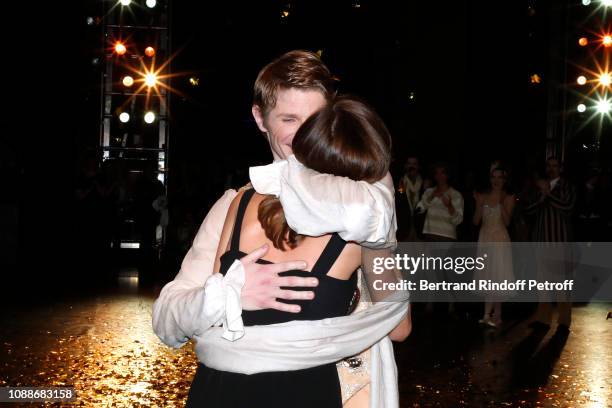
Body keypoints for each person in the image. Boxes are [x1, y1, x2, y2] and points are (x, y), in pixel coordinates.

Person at [152, 50, 400, 406]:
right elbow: (166, 318)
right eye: (289, 118)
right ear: (260, 118)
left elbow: (396, 320)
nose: (303, 135)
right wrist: (225, 296)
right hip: (222, 392)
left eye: (314, 119)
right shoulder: (232, 205)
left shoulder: (366, 207)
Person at [525, 157, 575, 333]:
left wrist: (549, 193)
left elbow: (568, 207)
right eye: (549, 166)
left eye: (555, 166)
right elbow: (529, 210)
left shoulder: (566, 186)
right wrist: (542, 196)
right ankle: (543, 319)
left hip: (559, 241)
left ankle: (564, 321)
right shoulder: (538, 187)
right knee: (542, 283)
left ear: (561, 168)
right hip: (541, 241)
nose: (551, 169)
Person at [472, 164, 516, 327]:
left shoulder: (509, 196)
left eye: (500, 177)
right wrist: (478, 203)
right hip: (485, 238)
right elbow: (476, 221)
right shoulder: (483, 195)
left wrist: (501, 203)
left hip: (500, 239)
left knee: (497, 276)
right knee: (488, 275)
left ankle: (487, 315)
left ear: (504, 180)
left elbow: (507, 221)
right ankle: (497, 315)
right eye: (493, 177)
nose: (496, 181)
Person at [417, 162, 464, 242]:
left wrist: (450, 206)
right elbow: (419, 209)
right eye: (437, 173)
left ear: (448, 175)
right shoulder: (429, 192)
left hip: (447, 238)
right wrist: (431, 197)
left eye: (442, 173)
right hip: (429, 235)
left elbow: (458, 220)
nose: (439, 176)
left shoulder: (456, 195)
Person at [397, 155, 426, 241]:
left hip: (421, 230)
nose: (412, 166)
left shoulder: (425, 183)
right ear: (405, 166)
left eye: (414, 164)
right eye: (409, 163)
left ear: (419, 166)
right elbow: (398, 203)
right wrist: (400, 188)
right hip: (403, 230)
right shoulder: (399, 181)